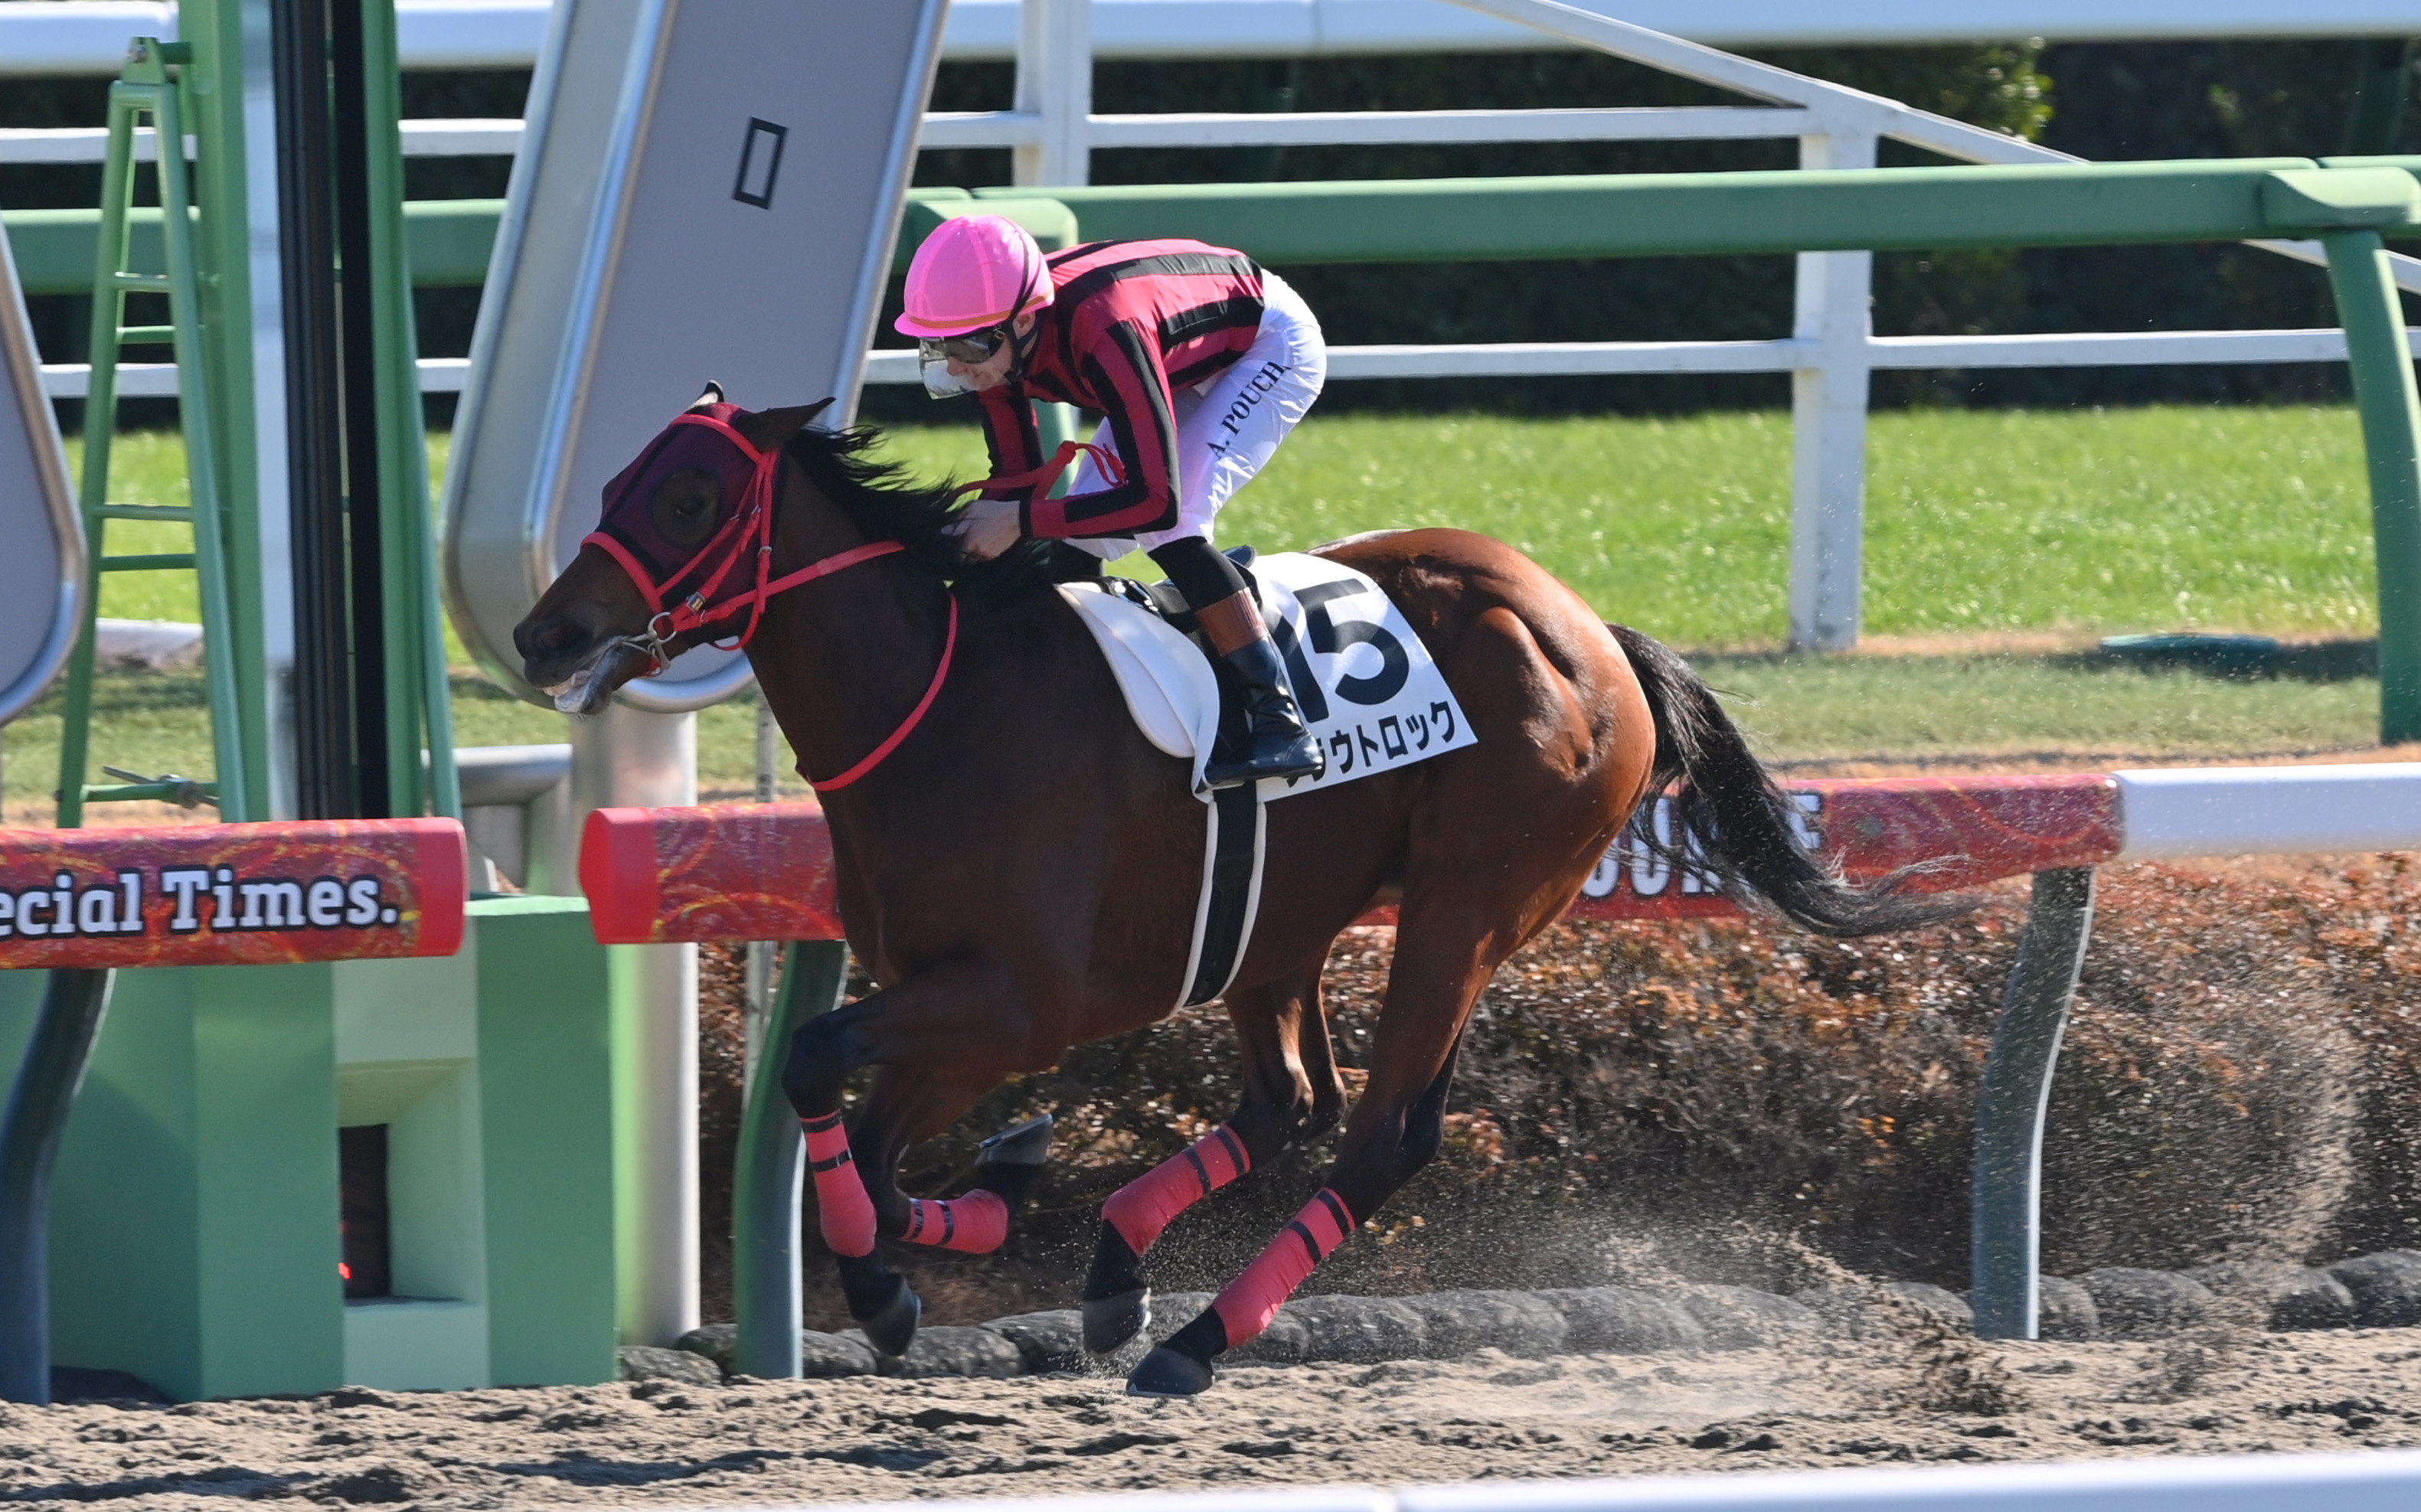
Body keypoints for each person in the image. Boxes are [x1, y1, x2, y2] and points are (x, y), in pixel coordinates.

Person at [898, 214, 1327, 789]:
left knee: (1175, 526)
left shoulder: (1102, 331)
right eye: (939, 344)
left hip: (1267, 345)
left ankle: (1281, 722)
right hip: (1172, 345)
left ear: (1024, 321)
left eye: (971, 345)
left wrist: (1020, 521)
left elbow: (1156, 502)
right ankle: (1081, 696)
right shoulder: (997, 337)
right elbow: (1019, 479)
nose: (956, 364)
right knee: (1079, 535)